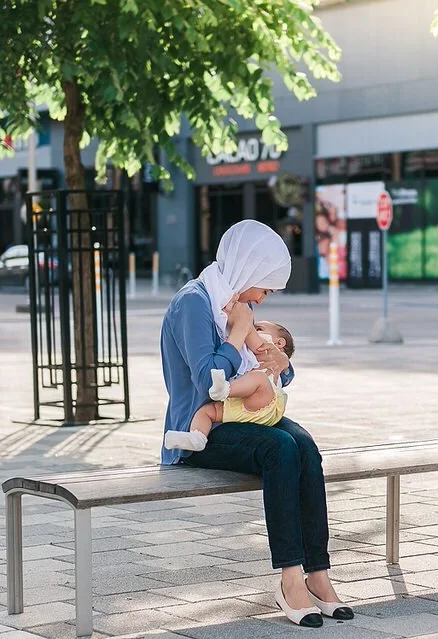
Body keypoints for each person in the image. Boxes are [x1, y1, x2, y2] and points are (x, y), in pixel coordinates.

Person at [160, 220, 351, 628]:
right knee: (279, 448)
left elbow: (265, 365)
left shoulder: (232, 301)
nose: (264, 299)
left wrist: (282, 362)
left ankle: (318, 573)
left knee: (303, 444)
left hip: (241, 416)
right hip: (199, 430)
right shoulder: (193, 303)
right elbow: (206, 380)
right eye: (264, 288)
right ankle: (289, 579)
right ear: (246, 272)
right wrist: (239, 332)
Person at [164, 319, 295, 452]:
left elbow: (247, 329)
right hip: (241, 405)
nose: (255, 331)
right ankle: (197, 438)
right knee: (207, 411)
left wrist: (244, 320)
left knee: (259, 378)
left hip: (264, 401)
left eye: (259, 329)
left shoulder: (268, 349)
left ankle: (225, 389)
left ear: (279, 343)